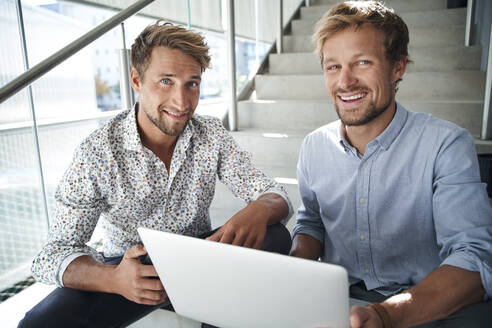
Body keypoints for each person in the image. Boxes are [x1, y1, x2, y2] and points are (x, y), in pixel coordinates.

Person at [18, 21, 292, 328]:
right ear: (136, 79)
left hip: (200, 258)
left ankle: (210, 305)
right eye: (166, 81)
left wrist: (259, 208)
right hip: (132, 272)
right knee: (38, 324)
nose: (182, 102)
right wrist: (113, 279)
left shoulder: (210, 133)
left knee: (275, 233)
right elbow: (51, 256)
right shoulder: (98, 151)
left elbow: (273, 194)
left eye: (192, 83)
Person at [289, 1, 492, 327]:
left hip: (426, 303)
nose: (345, 81)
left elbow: (475, 257)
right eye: (333, 67)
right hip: (341, 298)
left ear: (398, 67)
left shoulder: (446, 144)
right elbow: (312, 224)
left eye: (363, 62)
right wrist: (290, 273)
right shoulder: (314, 146)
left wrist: (386, 315)